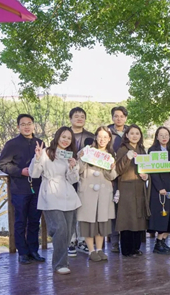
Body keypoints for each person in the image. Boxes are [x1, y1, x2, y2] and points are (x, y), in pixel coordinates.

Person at [28, 127, 80, 275]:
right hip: (50, 194)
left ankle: (63, 261)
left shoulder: (70, 156)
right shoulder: (46, 153)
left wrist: (72, 167)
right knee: (60, 228)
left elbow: (73, 179)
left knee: (69, 230)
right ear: (57, 137)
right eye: (63, 136)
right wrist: (37, 158)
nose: (65, 140)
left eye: (69, 138)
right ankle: (59, 264)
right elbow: (34, 174)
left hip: (69, 195)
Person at [0, 114, 45, 265]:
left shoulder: (40, 143)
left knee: (34, 221)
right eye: (23, 124)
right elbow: (3, 164)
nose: (26, 126)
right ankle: (22, 252)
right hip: (20, 188)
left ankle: (33, 250)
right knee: (20, 222)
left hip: (37, 188)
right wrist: (20, 171)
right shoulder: (12, 144)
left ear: (33, 125)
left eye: (29, 123)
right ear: (18, 127)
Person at [76, 126, 117, 262]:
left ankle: (99, 249)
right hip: (88, 191)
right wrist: (81, 159)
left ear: (109, 139)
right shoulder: (87, 152)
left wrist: (111, 169)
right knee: (88, 222)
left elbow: (112, 176)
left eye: (105, 137)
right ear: (96, 137)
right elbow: (79, 170)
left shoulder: (110, 155)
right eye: (100, 136)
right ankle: (91, 250)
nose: (102, 139)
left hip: (104, 192)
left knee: (102, 221)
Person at [115, 124, 150, 257]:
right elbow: (118, 169)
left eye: (137, 133)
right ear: (127, 135)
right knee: (127, 218)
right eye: (132, 133)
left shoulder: (142, 149)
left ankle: (136, 247)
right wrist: (127, 157)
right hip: (126, 187)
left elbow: (147, 167)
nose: (135, 136)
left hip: (140, 187)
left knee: (139, 218)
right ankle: (126, 249)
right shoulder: (122, 149)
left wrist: (146, 176)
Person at [147, 127, 170, 255]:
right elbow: (152, 172)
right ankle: (158, 243)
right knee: (162, 216)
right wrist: (160, 187)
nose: (164, 137)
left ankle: (162, 242)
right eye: (161, 135)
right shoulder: (152, 151)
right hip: (159, 189)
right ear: (156, 137)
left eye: (166, 134)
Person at [68, 107, 95, 256]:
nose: (79, 118)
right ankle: (70, 241)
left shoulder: (90, 137)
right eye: (76, 116)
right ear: (70, 118)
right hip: (67, 178)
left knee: (84, 211)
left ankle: (83, 241)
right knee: (70, 211)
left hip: (86, 178)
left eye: (82, 116)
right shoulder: (64, 135)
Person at [108, 106, 129, 253]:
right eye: (116, 116)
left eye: (121, 116)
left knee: (128, 207)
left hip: (129, 175)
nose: (119, 118)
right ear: (112, 118)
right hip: (112, 175)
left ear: (126, 118)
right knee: (114, 208)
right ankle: (114, 241)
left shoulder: (130, 132)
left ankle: (128, 239)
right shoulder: (107, 132)